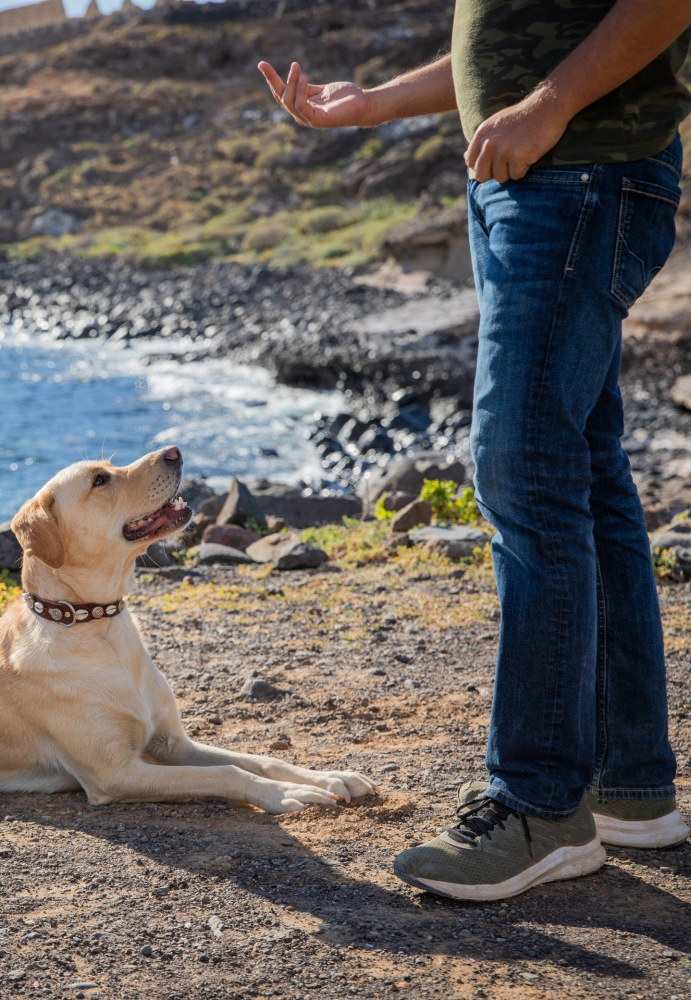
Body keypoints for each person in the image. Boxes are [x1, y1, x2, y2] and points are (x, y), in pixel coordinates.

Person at [260, 0, 691, 902]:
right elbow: (501, 38)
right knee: (586, 472)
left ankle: (539, 804)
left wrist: (548, 106)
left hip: (578, 174)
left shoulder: (562, 130)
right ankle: (628, 785)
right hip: (531, 179)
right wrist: (373, 101)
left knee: (522, 467)